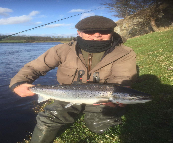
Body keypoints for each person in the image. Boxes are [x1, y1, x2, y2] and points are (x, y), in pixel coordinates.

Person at [9, 16, 137, 143]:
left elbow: (122, 79)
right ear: (79, 33)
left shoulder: (124, 53)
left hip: (101, 98)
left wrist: (119, 98)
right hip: (66, 95)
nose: (97, 35)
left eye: (104, 31)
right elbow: (33, 68)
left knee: (100, 125)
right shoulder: (61, 50)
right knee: (48, 118)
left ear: (112, 32)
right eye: (90, 31)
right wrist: (18, 83)